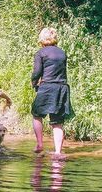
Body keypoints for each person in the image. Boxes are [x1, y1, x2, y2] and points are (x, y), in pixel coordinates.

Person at [31, 27, 74, 155]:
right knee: (57, 122)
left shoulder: (41, 53)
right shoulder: (62, 53)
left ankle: (39, 144)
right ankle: (58, 152)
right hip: (62, 88)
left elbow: (37, 72)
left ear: (42, 39)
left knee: (36, 114)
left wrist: (34, 83)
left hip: (47, 87)